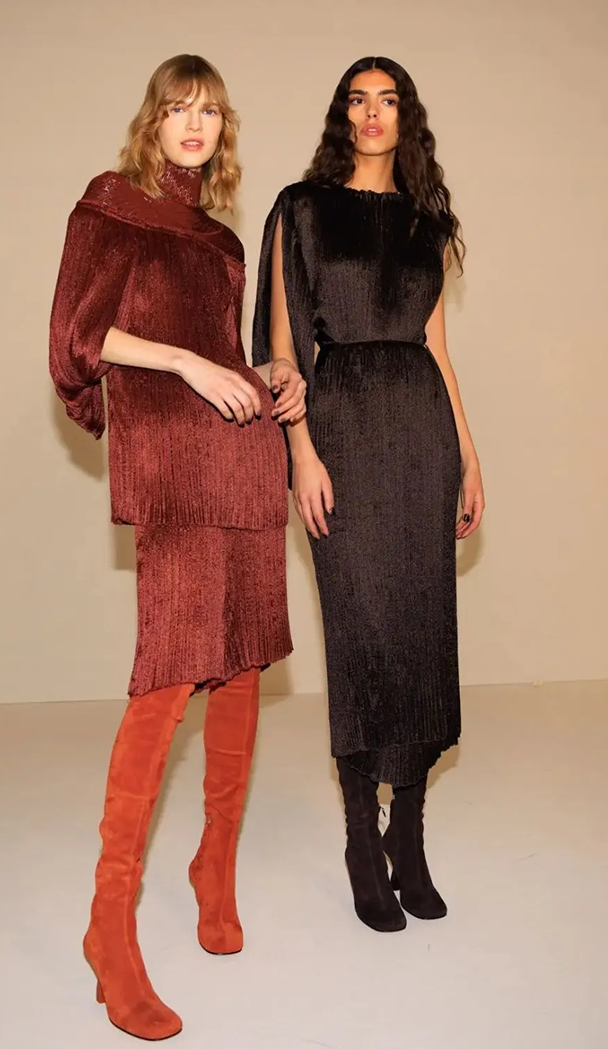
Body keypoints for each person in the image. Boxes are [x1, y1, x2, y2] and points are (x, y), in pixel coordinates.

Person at [50, 54, 305, 1040]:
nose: (195, 124)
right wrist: (190, 363)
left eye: (210, 111)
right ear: (151, 121)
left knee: (242, 663)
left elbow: (225, 360)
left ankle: (214, 866)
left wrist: (269, 375)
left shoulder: (222, 240)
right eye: (178, 108)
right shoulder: (109, 207)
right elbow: (79, 336)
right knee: (169, 672)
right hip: (173, 463)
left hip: (241, 459)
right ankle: (108, 925)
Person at [253, 56, 484, 934]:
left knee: (422, 624)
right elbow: (282, 349)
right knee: (360, 630)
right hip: (340, 428)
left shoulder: (426, 223)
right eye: (359, 99)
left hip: (422, 434)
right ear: (342, 115)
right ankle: (360, 836)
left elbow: (439, 351)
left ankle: (408, 836)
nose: (373, 113)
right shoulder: (302, 209)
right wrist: (300, 453)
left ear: (405, 116)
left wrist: (469, 455)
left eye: (388, 100)